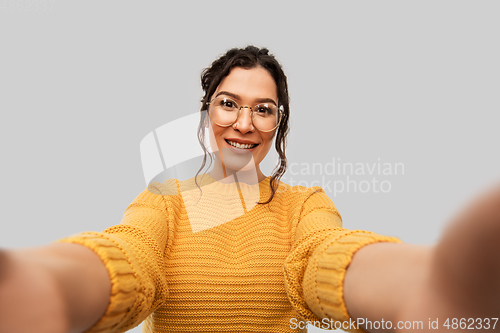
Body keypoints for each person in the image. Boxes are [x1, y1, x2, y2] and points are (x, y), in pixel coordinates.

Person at [0, 46, 499, 333]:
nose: (245, 122)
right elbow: (129, 256)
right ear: (206, 113)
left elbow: (325, 257)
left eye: (264, 109)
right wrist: (50, 288)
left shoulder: (305, 205)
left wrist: (428, 288)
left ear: (279, 124)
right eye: (228, 103)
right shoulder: (163, 201)